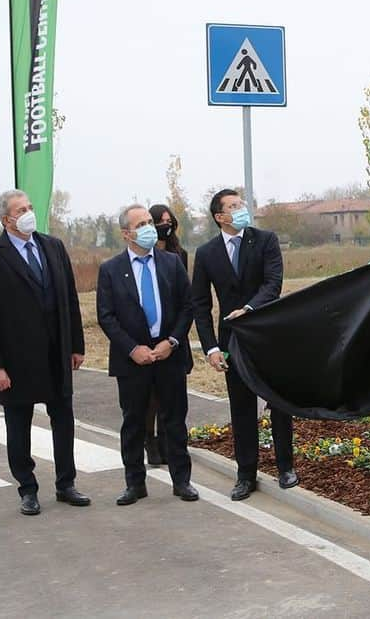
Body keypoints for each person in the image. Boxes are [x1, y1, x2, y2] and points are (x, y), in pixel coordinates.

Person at [0, 190, 89, 516]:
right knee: (18, 426)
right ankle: (27, 487)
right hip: (16, 360)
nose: (28, 213)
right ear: (6, 219)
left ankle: (67, 483)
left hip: (57, 354)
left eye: (30, 206)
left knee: (63, 420)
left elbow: (69, 300)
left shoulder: (53, 246)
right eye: (21, 209)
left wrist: (76, 345)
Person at [192, 189, 297, 500]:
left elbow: (272, 283)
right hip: (232, 343)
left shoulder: (265, 240)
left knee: (278, 402)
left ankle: (285, 466)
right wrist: (210, 347)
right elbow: (199, 304)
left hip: (267, 336)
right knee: (241, 408)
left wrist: (249, 309)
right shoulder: (207, 253)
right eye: (233, 206)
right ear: (220, 217)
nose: (242, 209)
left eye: (242, 204)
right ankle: (245, 475)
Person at [97, 204, 198, 505]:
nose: (148, 229)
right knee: (133, 423)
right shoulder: (111, 270)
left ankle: (182, 481)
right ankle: (134, 484)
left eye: (149, 223)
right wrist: (132, 348)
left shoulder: (172, 262)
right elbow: (106, 316)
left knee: (175, 421)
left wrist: (173, 341)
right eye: (140, 224)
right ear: (126, 233)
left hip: (168, 354)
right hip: (133, 360)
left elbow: (187, 306)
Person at [142, 204, 189, 467]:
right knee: (151, 398)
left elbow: (185, 296)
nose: (165, 226)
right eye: (160, 221)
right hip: (147, 339)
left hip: (172, 337)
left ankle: (167, 441)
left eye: (169, 221)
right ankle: (149, 440)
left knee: (172, 398)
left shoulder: (178, 254)